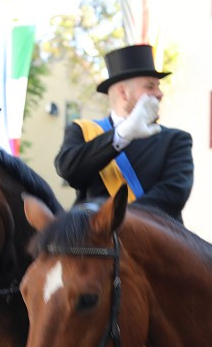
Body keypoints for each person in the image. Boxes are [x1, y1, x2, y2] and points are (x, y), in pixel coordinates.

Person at [55, 44, 194, 222]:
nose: (159, 93)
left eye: (158, 86)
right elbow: (68, 171)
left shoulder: (176, 139)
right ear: (123, 92)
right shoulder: (83, 130)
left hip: (153, 239)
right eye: (150, 86)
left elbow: (173, 194)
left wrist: (114, 220)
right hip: (94, 242)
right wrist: (122, 135)